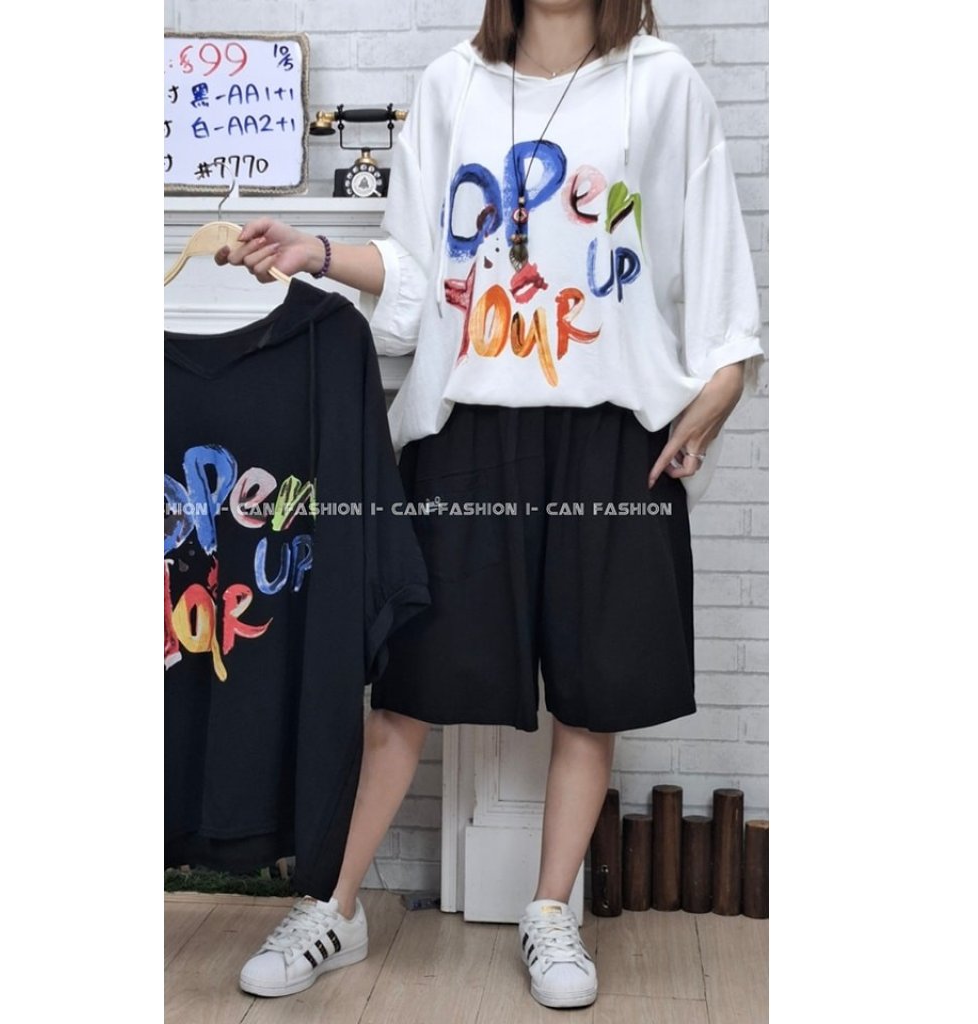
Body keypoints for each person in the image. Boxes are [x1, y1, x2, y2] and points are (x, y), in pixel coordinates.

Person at [216, 0, 762, 1010]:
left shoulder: (663, 83)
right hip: (471, 423)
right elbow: (416, 278)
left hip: (611, 425)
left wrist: (725, 381)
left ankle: (549, 911)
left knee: (594, 686)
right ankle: (334, 906)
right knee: (410, 681)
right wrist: (316, 252)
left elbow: (713, 253)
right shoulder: (451, 86)